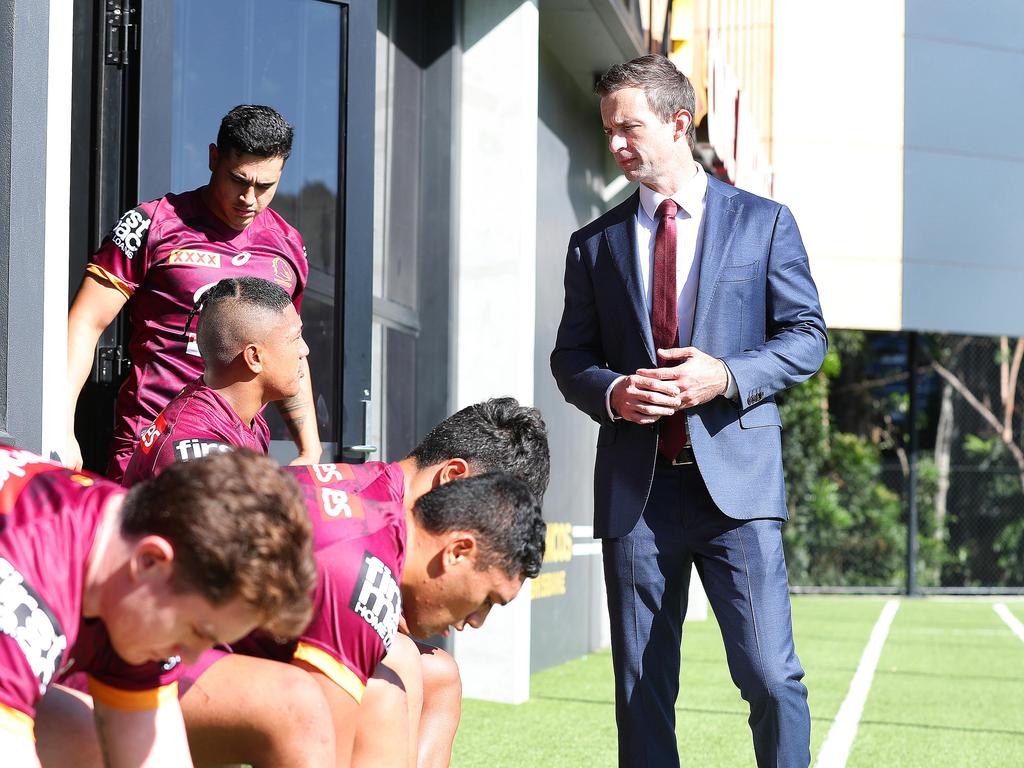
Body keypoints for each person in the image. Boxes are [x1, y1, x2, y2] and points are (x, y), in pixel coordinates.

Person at [550, 54, 827, 768]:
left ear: (680, 122)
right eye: (608, 128)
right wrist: (613, 392)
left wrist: (726, 375)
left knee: (770, 674)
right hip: (637, 495)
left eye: (628, 127)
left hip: (736, 490)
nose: (614, 143)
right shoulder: (594, 245)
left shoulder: (765, 224)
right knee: (641, 688)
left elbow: (806, 338)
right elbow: (570, 358)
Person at [181, 397, 551, 768]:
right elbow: (321, 745)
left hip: (190, 651)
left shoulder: (381, 521)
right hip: (144, 663)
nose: (476, 621)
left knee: (408, 683)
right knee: (332, 698)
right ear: (458, 545)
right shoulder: (362, 559)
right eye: (487, 599)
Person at [0, 446, 317, 768]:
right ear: (150, 561)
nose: (190, 658)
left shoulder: (126, 563)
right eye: (197, 631)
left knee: (81, 734)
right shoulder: (24, 581)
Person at [65, 104, 321, 483]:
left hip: (241, 455)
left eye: (265, 186)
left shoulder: (288, 244)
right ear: (213, 158)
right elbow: (86, 322)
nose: (249, 199)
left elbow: (287, 345)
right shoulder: (152, 224)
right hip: (152, 443)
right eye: (239, 180)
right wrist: (61, 424)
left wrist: (309, 448)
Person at [121, 276, 309, 486]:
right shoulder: (200, 456)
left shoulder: (246, 418)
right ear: (254, 358)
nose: (304, 350)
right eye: (295, 339)